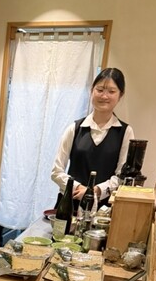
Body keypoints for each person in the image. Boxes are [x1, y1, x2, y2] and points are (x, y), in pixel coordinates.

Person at [51, 68, 134, 210]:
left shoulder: (125, 132)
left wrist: (94, 191)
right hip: (69, 204)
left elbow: (122, 176)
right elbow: (56, 171)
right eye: (100, 90)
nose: (104, 96)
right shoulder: (75, 128)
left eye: (111, 91)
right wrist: (78, 188)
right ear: (92, 91)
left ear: (120, 95)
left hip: (104, 208)